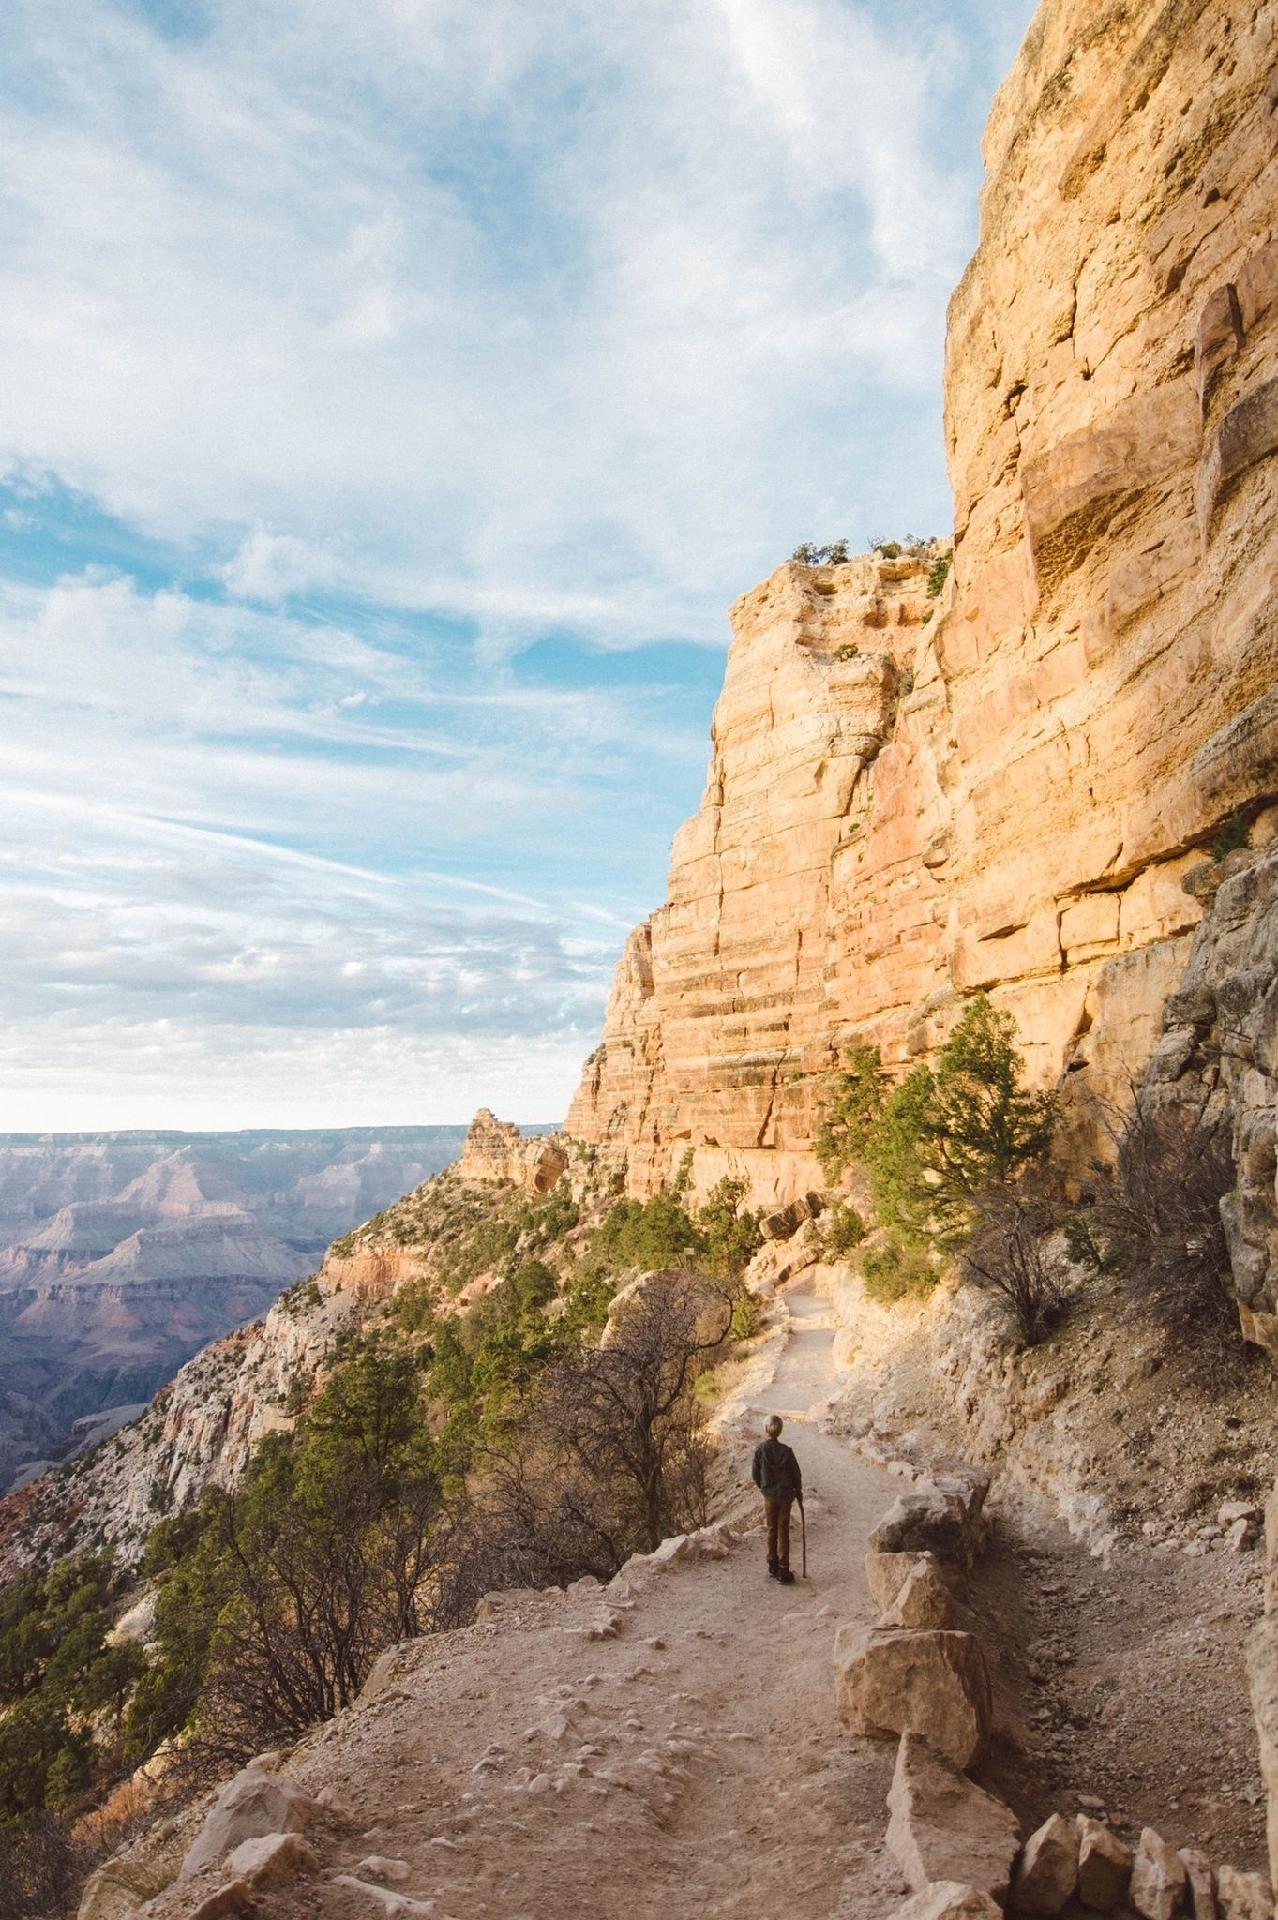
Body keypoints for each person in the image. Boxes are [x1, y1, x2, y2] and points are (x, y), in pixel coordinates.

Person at [751, 1414, 802, 1583]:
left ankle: (772, 1564)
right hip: (785, 1497)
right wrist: (798, 1491)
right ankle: (783, 1569)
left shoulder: (760, 1450)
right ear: (780, 1430)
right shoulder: (787, 1452)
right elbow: (796, 1474)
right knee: (783, 1531)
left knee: (771, 1529)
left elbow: (755, 1474)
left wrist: (763, 1487)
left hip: (769, 1496)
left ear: (766, 1429)